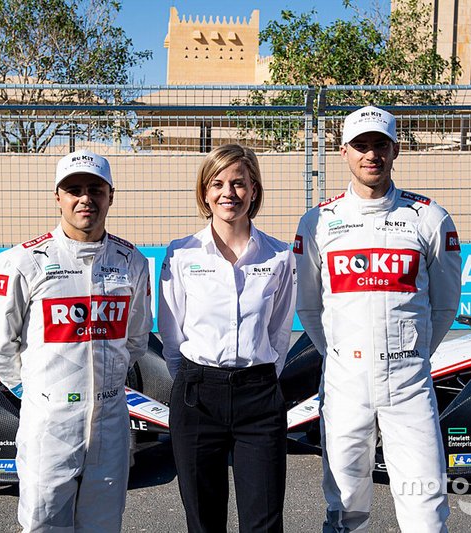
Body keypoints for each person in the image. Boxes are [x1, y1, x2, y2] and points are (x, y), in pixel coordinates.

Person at [294, 106, 461, 532]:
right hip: (345, 380)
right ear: (343, 151)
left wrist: (413, 353)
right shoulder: (318, 222)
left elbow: (444, 305)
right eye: (361, 145)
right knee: (345, 503)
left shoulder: (429, 217)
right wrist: (340, 354)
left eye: (380, 144)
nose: (371, 154)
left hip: (408, 380)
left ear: (395, 149)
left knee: (425, 503)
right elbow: (310, 307)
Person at [0, 149, 152, 532]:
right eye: (73, 189)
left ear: (111, 195)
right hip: (49, 419)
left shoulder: (132, 261)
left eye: (95, 189)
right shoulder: (22, 261)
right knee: (43, 524)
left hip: (110, 417)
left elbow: (137, 339)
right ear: (57, 196)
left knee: (103, 525)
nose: (85, 199)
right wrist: (33, 391)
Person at [158, 143, 296, 533]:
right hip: (198, 394)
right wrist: (195, 378)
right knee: (204, 523)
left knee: (264, 523)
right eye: (217, 183)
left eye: (239, 183)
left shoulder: (279, 256)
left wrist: (258, 375)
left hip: (260, 397)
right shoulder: (182, 254)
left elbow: (280, 332)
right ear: (204, 192)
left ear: (254, 190)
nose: (228, 193)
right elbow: (171, 334)